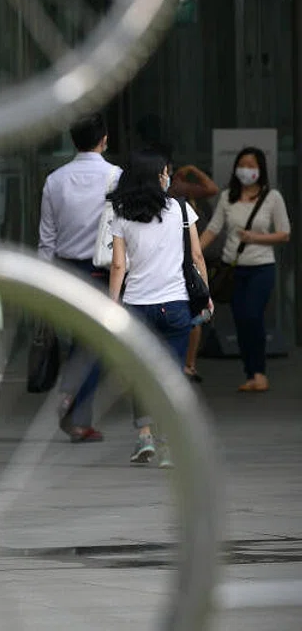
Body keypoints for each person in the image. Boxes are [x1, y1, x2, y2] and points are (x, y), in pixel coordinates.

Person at [108, 150, 211, 467]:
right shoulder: (181, 209)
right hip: (175, 304)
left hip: (137, 305)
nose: (168, 177)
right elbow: (197, 256)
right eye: (165, 172)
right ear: (158, 177)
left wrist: (112, 304)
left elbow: (118, 265)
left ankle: (144, 437)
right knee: (172, 376)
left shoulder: (122, 214)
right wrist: (205, 295)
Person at [38, 113, 121, 443]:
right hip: (101, 270)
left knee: (81, 340)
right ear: (104, 139)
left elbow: (47, 238)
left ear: (73, 141)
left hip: (65, 270)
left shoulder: (55, 180)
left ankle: (71, 399)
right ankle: (75, 409)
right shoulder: (116, 177)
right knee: (96, 343)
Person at [199, 147, 291, 392]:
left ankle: (259, 372)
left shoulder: (272, 197)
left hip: (261, 267)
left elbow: (284, 234)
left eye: (251, 165)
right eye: (242, 165)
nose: (246, 170)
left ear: (260, 169)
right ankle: (250, 373)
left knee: (253, 315)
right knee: (240, 321)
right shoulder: (227, 197)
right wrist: (192, 252)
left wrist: (255, 238)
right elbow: (213, 229)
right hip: (233, 269)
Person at [168, 164, 220, 382]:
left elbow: (211, 188)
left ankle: (186, 365)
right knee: (192, 312)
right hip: (186, 260)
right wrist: (192, 170)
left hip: (186, 260)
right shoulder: (177, 193)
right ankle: (186, 365)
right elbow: (212, 188)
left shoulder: (182, 195)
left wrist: (191, 169)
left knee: (191, 315)